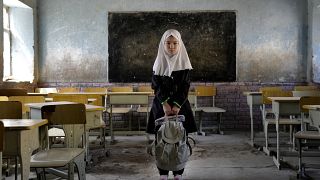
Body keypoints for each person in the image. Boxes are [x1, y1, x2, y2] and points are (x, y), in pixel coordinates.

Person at [147, 29, 197, 180]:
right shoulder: (158, 63)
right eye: (168, 43)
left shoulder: (185, 64)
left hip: (180, 107)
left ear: (180, 44)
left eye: (175, 43)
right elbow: (156, 85)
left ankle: (178, 173)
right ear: (163, 44)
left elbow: (185, 87)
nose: (171, 46)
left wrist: (175, 105)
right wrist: (164, 104)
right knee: (161, 140)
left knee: (180, 139)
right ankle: (162, 173)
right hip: (160, 107)